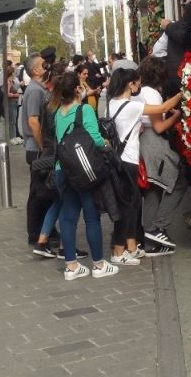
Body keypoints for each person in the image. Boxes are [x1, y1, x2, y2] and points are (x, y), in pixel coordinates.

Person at [107, 68, 183, 265]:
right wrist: (183, 92)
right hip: (128, 160)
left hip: (120, 160)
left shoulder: (113, 104)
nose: (139, 87)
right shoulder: (131, 106)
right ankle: (118, 252)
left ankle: (131, 247)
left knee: (132, 203)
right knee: (127, 206)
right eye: (137, 83)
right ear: (129, 84)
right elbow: (162, 108)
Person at [51, 72, 118, 280]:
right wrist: (107, 144)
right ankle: (98, 264)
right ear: (77, 89)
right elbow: (95, 139)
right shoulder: (84, 109)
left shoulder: (57, 113)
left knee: (68, 216)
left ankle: (71, 266)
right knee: (91, 217)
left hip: (64, 169)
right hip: (84, 172)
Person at [137, 56, 185, 255]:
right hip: (153, 145)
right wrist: (177, 115)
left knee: (153, 189)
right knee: (179, 182)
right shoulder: (153, 94)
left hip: (142, 144)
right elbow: (158, 127)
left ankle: (150, 241)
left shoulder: (140, 92)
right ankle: (157, 227)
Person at [22, 53, 56, 247]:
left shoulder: (39, 89)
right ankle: (36, 233)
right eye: (44, 65)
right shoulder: (35, 91)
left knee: (43, 191)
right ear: (36, 70)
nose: (47, 67)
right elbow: (33, 121)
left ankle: (45, 229)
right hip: (36, 148)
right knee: (39, 192)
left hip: (38, 147)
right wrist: (43, 145)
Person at [5, 63, 22, 145]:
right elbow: (7, 94)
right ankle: (11, 137)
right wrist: (16, 95)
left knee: (14, 121)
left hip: (14, 102)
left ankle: (14, 136)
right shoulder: (8, 82)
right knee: (12, 121)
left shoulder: (11, 81)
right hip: (11, 103)